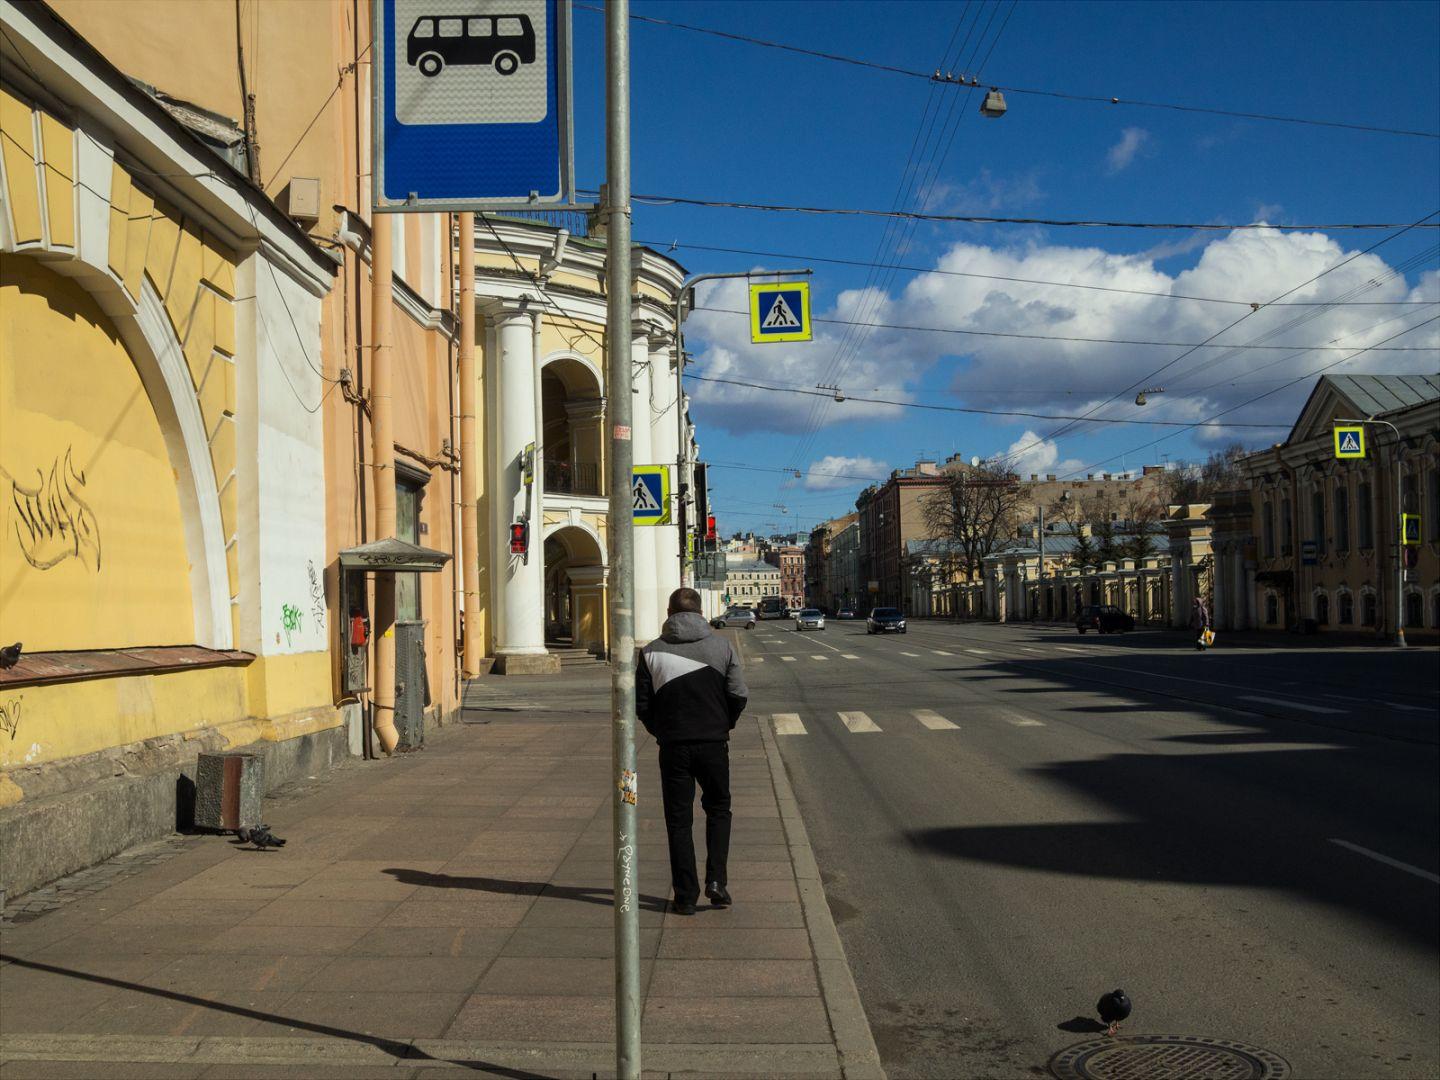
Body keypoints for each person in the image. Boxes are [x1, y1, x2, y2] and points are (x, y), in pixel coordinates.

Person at [636, 587, 749, 915]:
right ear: (701, 613)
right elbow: (738, 694)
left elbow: (642, 705)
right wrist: (724, 724)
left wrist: (662, 731)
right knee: (719, 810)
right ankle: (717, 882)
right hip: (713, 744)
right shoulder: (722, 646)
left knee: (678, 820)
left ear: (669, 614)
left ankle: (685, 896)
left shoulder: (650, 652)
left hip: (673, 748)